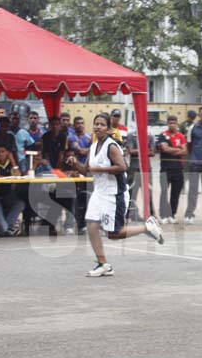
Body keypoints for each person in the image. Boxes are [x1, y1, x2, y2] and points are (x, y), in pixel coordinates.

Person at [66, 114, 164, 277]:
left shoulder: (111, 146)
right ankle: (103, 264)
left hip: (114, 194)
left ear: (108, 128)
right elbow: (86, 170)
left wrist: (98, 170)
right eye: (96, 124)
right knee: (91, 225)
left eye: (102, 124)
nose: (98, 127)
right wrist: (75, 163)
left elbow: (122, 166)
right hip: (99, 192)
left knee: (114, 234)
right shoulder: (93, 146)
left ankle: (147, 227)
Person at [0, 144, 26, 236]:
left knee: (20, 203)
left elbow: (18, 175)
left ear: (8, 153)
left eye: (3, 151)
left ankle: (5, 228)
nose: (0, 154)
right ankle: (6, 228)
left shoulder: (10, 162)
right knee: (3, 226)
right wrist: (9, 178)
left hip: (7, 194)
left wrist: (12, 160)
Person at [157, 115, 187, 224]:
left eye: (174, 123)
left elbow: (185, 151)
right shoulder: (162, 136)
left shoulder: (181, 136)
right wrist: (178, 150)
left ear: (177, 124)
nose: (172, 125)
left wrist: (172, 150)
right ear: (167, 124)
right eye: (170, 123)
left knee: (176, 193)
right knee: (164, 192)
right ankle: (163, 215)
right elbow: (164, 149)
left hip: (178, 169)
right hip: (165, 169)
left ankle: (172, 214)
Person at [125, 127, 156, 220]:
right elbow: (131, 151)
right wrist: (145, 151)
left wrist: (138, 151)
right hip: (134, 169)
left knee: (148, 192)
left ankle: (150, 215)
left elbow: (153, 152)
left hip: (146, 169)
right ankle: (129, 214)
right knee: (131, 192)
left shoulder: (150, 136)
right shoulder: (131, 135)